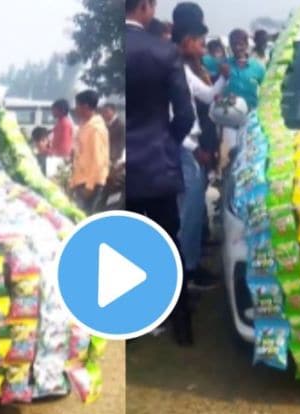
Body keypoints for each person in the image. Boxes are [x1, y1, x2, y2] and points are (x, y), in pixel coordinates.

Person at [126, 0, 196, 345]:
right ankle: (180, 324)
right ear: (145, 8)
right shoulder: (164, 52)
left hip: (124, 167)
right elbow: (185, 114)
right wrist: (168, 142)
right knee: (168, 242)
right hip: (156, 161)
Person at [173, 8, 225, 291]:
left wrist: (224, 79)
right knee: (187, 215)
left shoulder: (185, 66)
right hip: (185, 148)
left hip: (190, 146)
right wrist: (192, 148)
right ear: (188, 39)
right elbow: (173, 115)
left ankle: (189, 265)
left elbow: (205, 95)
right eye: (200, 43)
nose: (203, 49)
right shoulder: (174, 66)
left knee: (192, 214)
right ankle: (186, 272)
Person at [69, 89, 110, 214]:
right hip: (81, 179)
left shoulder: (96, 129)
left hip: (90, 182)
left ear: (85, 106)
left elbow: (99, 159)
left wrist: (90, 186)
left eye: (77, 105)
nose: (75, 109)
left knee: (85, 218)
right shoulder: (84, 125)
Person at [225, 29, 265, 111]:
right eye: (234, 44)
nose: (237, 48)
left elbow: (265, 91)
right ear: (230, 46)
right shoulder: (224, 65)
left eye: (240, 44)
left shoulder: (258, 67)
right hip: (228, 116)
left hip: (252, 116)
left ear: (246, 45)